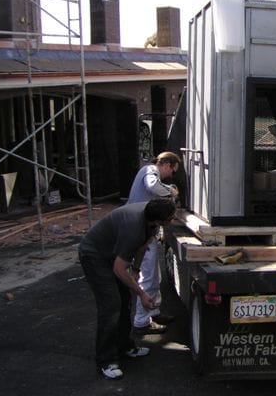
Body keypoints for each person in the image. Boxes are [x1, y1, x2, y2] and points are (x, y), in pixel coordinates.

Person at [78, 198, 177, 380]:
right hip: (94, 255)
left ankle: (124, 346)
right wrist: (141, 293)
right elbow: (118, 268)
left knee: (125, 299)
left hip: (112, 255)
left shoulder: (150, 221)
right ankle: (106, 360)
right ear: (159, 220)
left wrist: (136, 271)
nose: (173, 220)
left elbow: (142, 246)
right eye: (171, 218)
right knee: (111, 305)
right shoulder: (134, 228)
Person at [127, 151, 181, 334]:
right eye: (172, 171)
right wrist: (170, 191)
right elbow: (152, 186)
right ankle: (142, 321)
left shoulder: (149, 170)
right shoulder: (151, 170)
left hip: (142, 227)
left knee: (155, 275)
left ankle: (153, 311)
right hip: (139, 228)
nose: (170, 175)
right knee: (148, 276)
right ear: (167, 164)